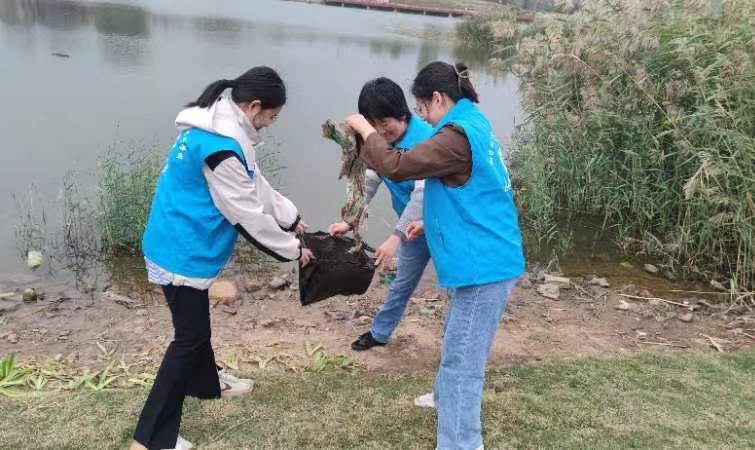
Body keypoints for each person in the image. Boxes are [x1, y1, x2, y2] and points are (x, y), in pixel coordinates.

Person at [344, 61, 525, 450]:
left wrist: (364, 130)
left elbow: (396, 166)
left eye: (423, 107)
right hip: (481, 256)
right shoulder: (472, 122)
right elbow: (474, 189)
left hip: (483, 265)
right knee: (458, 343)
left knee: (463, 363)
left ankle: (460, 443)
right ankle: (444, 401)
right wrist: (428, 221)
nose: (422, 116)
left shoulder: (454, 136)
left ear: (438, 99)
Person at [131, 66, 313, 450]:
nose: (271, 124)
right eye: (272, 116)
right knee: (189, 339)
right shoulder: (221, 146)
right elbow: (246, 214)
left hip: (175, 240)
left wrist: (290, 217)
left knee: (195, 329)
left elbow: (254, 183)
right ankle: (151, 439)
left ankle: (208, 385)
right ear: (254, 106)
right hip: (181, 252)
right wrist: (294, 250)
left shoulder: (218, 126)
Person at [328, 77, 434, 351]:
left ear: (402, 114)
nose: (379, 131)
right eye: (372, 124)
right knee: (402, 284)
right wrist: (350, 220)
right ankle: (380, 333)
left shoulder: (427, 138)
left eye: (384, 123)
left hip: (442, 224)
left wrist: (395, 237)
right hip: (411, 230)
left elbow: (422, 194)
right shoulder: (375, 141)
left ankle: (459, 339)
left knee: (457, 285)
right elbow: (371, 179)